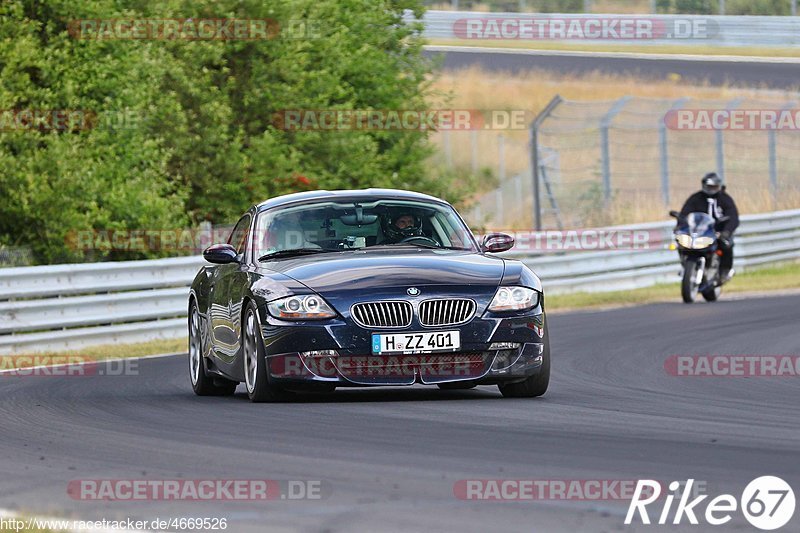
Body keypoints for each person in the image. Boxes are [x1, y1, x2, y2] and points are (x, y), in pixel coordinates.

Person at [679, 172, 739, 282]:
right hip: (699, 232)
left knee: (726, 244)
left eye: (714, 187)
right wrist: (681, 226)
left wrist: (726, 231)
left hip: (718, 232)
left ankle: (724, 271)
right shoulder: (696, 198)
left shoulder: (725, 199)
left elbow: (733, 217)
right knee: (682, 243)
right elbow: (685, 214)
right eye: (709, 187)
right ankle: (686, 265)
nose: (711, 189)